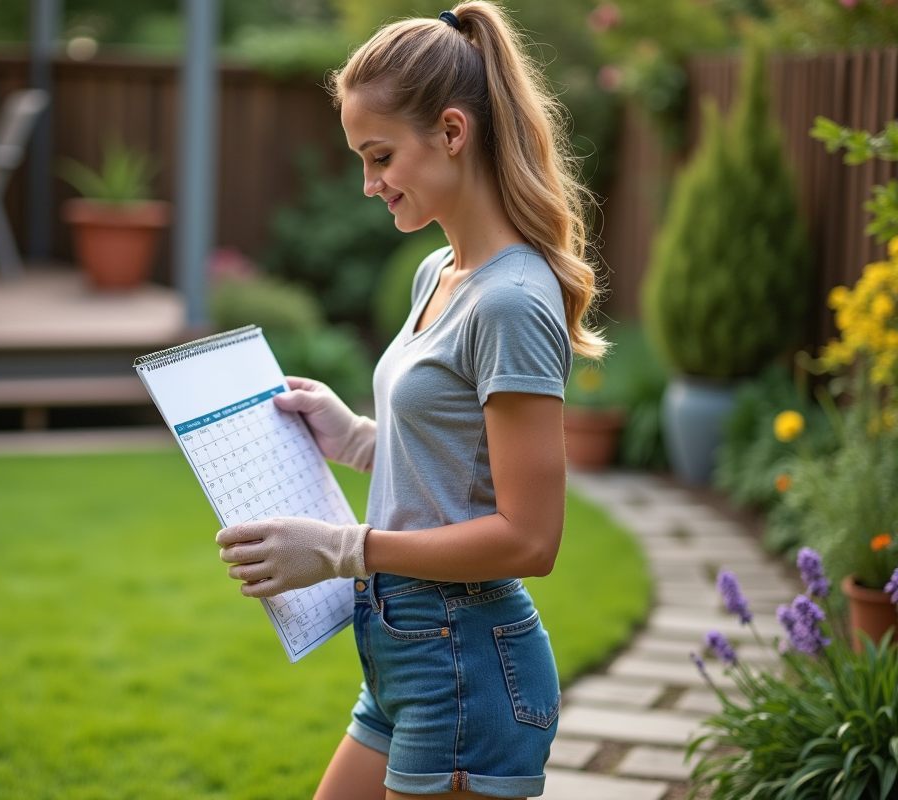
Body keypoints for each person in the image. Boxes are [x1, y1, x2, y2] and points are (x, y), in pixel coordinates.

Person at [214, 3, 607, 798]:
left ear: (452, 133)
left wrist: (338, 549)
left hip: (466, 658)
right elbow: (453, 464)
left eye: (380, 155)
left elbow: (530, 539)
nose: (369, 184)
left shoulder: (512, 301)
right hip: (406, 651)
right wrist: (354, 435)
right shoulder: (440, 273)